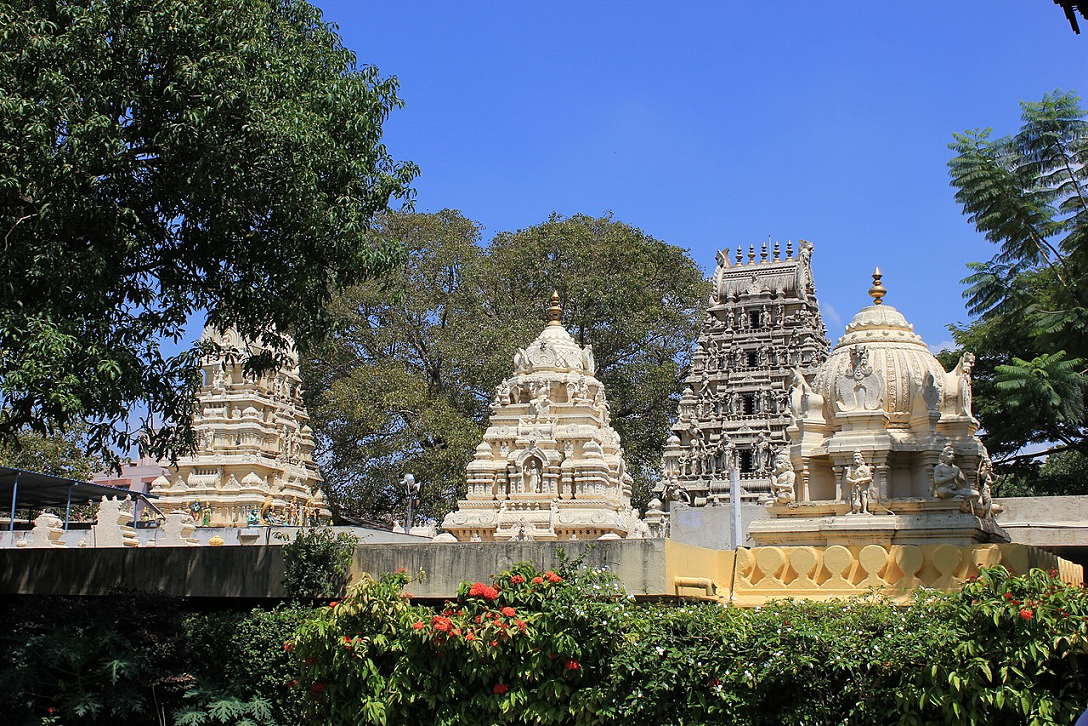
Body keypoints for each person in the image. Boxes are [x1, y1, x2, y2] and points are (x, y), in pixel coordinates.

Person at [845, 450, 873, 514]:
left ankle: (864, 510)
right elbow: (847, 478)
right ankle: (855, 510)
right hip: (854, 484)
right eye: (854, 459)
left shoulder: (865, 468)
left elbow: (869, 477)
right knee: (854, 496)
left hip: (862, 484)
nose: (856, 460)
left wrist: (860, 480)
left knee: (863, 495)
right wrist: (853, 481)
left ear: (861, 460)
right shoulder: (851, 468)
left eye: (858, 459)